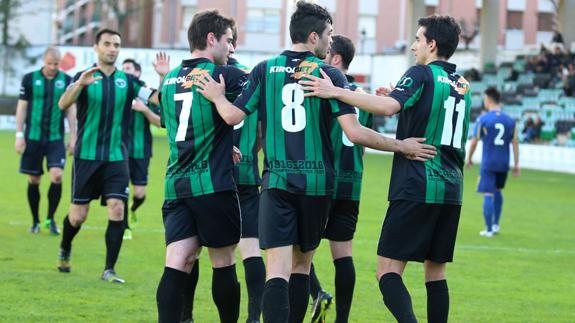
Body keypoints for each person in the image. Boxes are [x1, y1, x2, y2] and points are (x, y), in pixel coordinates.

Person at [196, 3, 435, 322]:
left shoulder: (265, 69)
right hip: (318, 185)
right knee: (301, 267)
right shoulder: (329, 75)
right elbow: (355, 132)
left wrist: (217, 97)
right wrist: (400, 146)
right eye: (329, 35)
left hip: (277, 182)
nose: (330, 41)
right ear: (312, 37)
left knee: (276, 272)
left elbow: (230, 116)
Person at [299, 15, 470, 323]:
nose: (414, 45)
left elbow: (391, 108)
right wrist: (397, 98)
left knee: (387, 272)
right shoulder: (461, 85)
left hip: (417, 183)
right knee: (436, 273)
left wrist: (335, 91)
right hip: (452, 188)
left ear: (432, 44)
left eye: (418, 39)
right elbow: (424, 112)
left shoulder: (420, 73)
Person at [154, 10, 247, 323]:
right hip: (212, 186)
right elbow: (252, 103)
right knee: (223, 261)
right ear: (211, 39)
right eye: (229, 41)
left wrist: (223, 144)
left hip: (175, 185)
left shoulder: (168, 81)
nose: (231, 49)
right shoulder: (224, 75)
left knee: (177, 261)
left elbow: (180, 125)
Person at [57, 29, 166, 284]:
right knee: (78, 215)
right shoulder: (84, 77)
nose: (112, 49)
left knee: (117, 209)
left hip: (117, 157)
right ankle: (65, 246)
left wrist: (162, 78)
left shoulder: (127, 82)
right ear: (96, 47)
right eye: (107, 44)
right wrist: (79, 85)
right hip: (87, 156)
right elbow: (63, 104)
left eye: (116, 44)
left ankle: (109, 269)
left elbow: (158, 100)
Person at [178, 26, 266, 323]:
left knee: (193, 251)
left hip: (211, 174)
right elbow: (263, 126)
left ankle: (187, 315)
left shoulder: (206, 77)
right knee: (248, 251)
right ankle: (254, 317)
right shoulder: (249, 77)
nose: (229, 47)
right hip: (244, 173)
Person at [308, 34, 372, 323]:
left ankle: (317, 295)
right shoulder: (363, 98)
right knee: (343, 255)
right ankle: (342, 320)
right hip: (352, 183)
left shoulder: (327, 92)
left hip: (324, 181)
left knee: (295, 248)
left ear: (335, 59)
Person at [15, 46, 76, 235]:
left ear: (60, 63)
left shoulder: (66, 81)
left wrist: (73, 136)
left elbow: (71, 110)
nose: (52, 67)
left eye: (56, 64)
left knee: (57, 176)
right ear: (44, 61)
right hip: (32, 137)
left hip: (55, 139)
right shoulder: (30, 79)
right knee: (34, 179)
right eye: (49, 63)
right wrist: (19, 135)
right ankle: (35, 221)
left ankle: (50, 219)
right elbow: (22, 108)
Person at [466, 87, 520, 237]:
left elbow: (474, 142)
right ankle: (496, 225)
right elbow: (515, 143)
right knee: (498, 191)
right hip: (504, 162)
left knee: (488, 194)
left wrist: (469, 158)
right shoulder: (510, 120)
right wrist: (516, 164)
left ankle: (488, 229)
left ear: (488, 100)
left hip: (488, 162)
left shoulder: (483, 119)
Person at [121, 58, 162, 240]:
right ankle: (124, 226)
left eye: (128, 69)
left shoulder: (145, 94)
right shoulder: (120, 92)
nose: (125, 72)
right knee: (122, 191)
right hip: (120, 151)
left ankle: (132, 210)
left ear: (137, 73)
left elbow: (160, 121)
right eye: (123, 69)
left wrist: (144, 109)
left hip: (142, 150)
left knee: (139, 194)